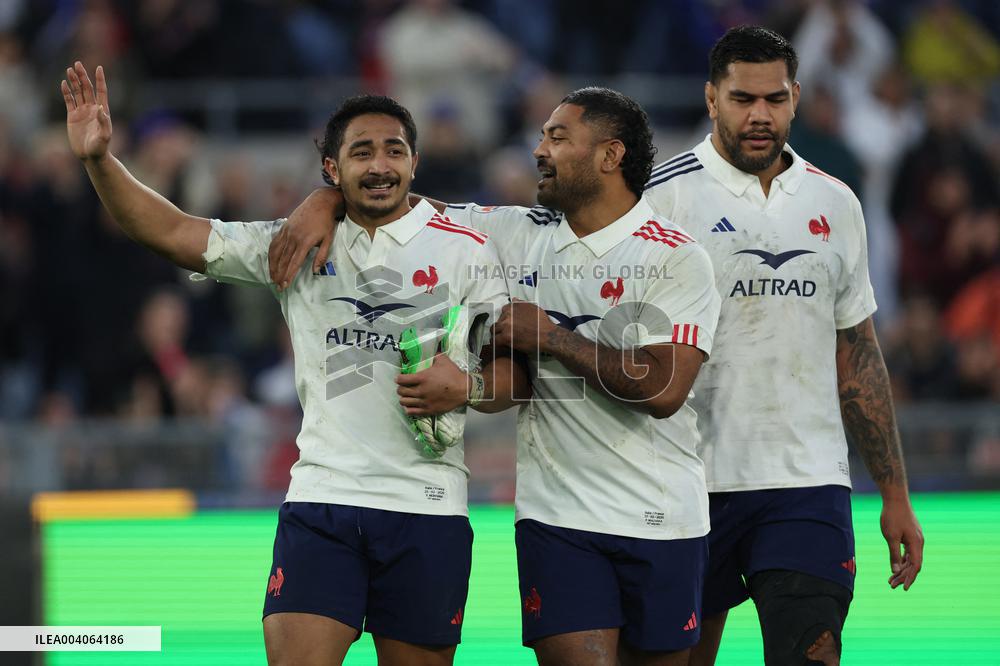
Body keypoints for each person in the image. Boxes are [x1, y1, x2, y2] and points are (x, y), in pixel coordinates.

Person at [61, 61, 523, 666]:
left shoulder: (467, 247)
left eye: (394, 150)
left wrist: (465, 386)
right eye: (361, 152)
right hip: (322, 500)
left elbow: (514, 379)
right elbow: (173, 232)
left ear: (415, 162)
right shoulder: (294, 243)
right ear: (333, 169)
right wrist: (99, 160)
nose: (380, 165)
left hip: (427, 505)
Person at [270, 87, 721, 666]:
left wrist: (552, 337)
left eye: (557, 138)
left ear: (609, 156)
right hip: (557, 518)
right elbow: (391, 201)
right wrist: (323, 198)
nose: (539, 150)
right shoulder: (510, 232)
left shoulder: (676, 256)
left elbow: (664, 390)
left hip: (664, 514)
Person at [641, 26, 923, 665]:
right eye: (743, 99)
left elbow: (856, 351)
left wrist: (895, 492)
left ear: (796, 97)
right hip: (688, 481)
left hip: (807, 483)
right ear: (712, 99)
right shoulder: (661, 199)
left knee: (813, 655)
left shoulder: (836, 202)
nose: (759, 115)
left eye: (774, 99)